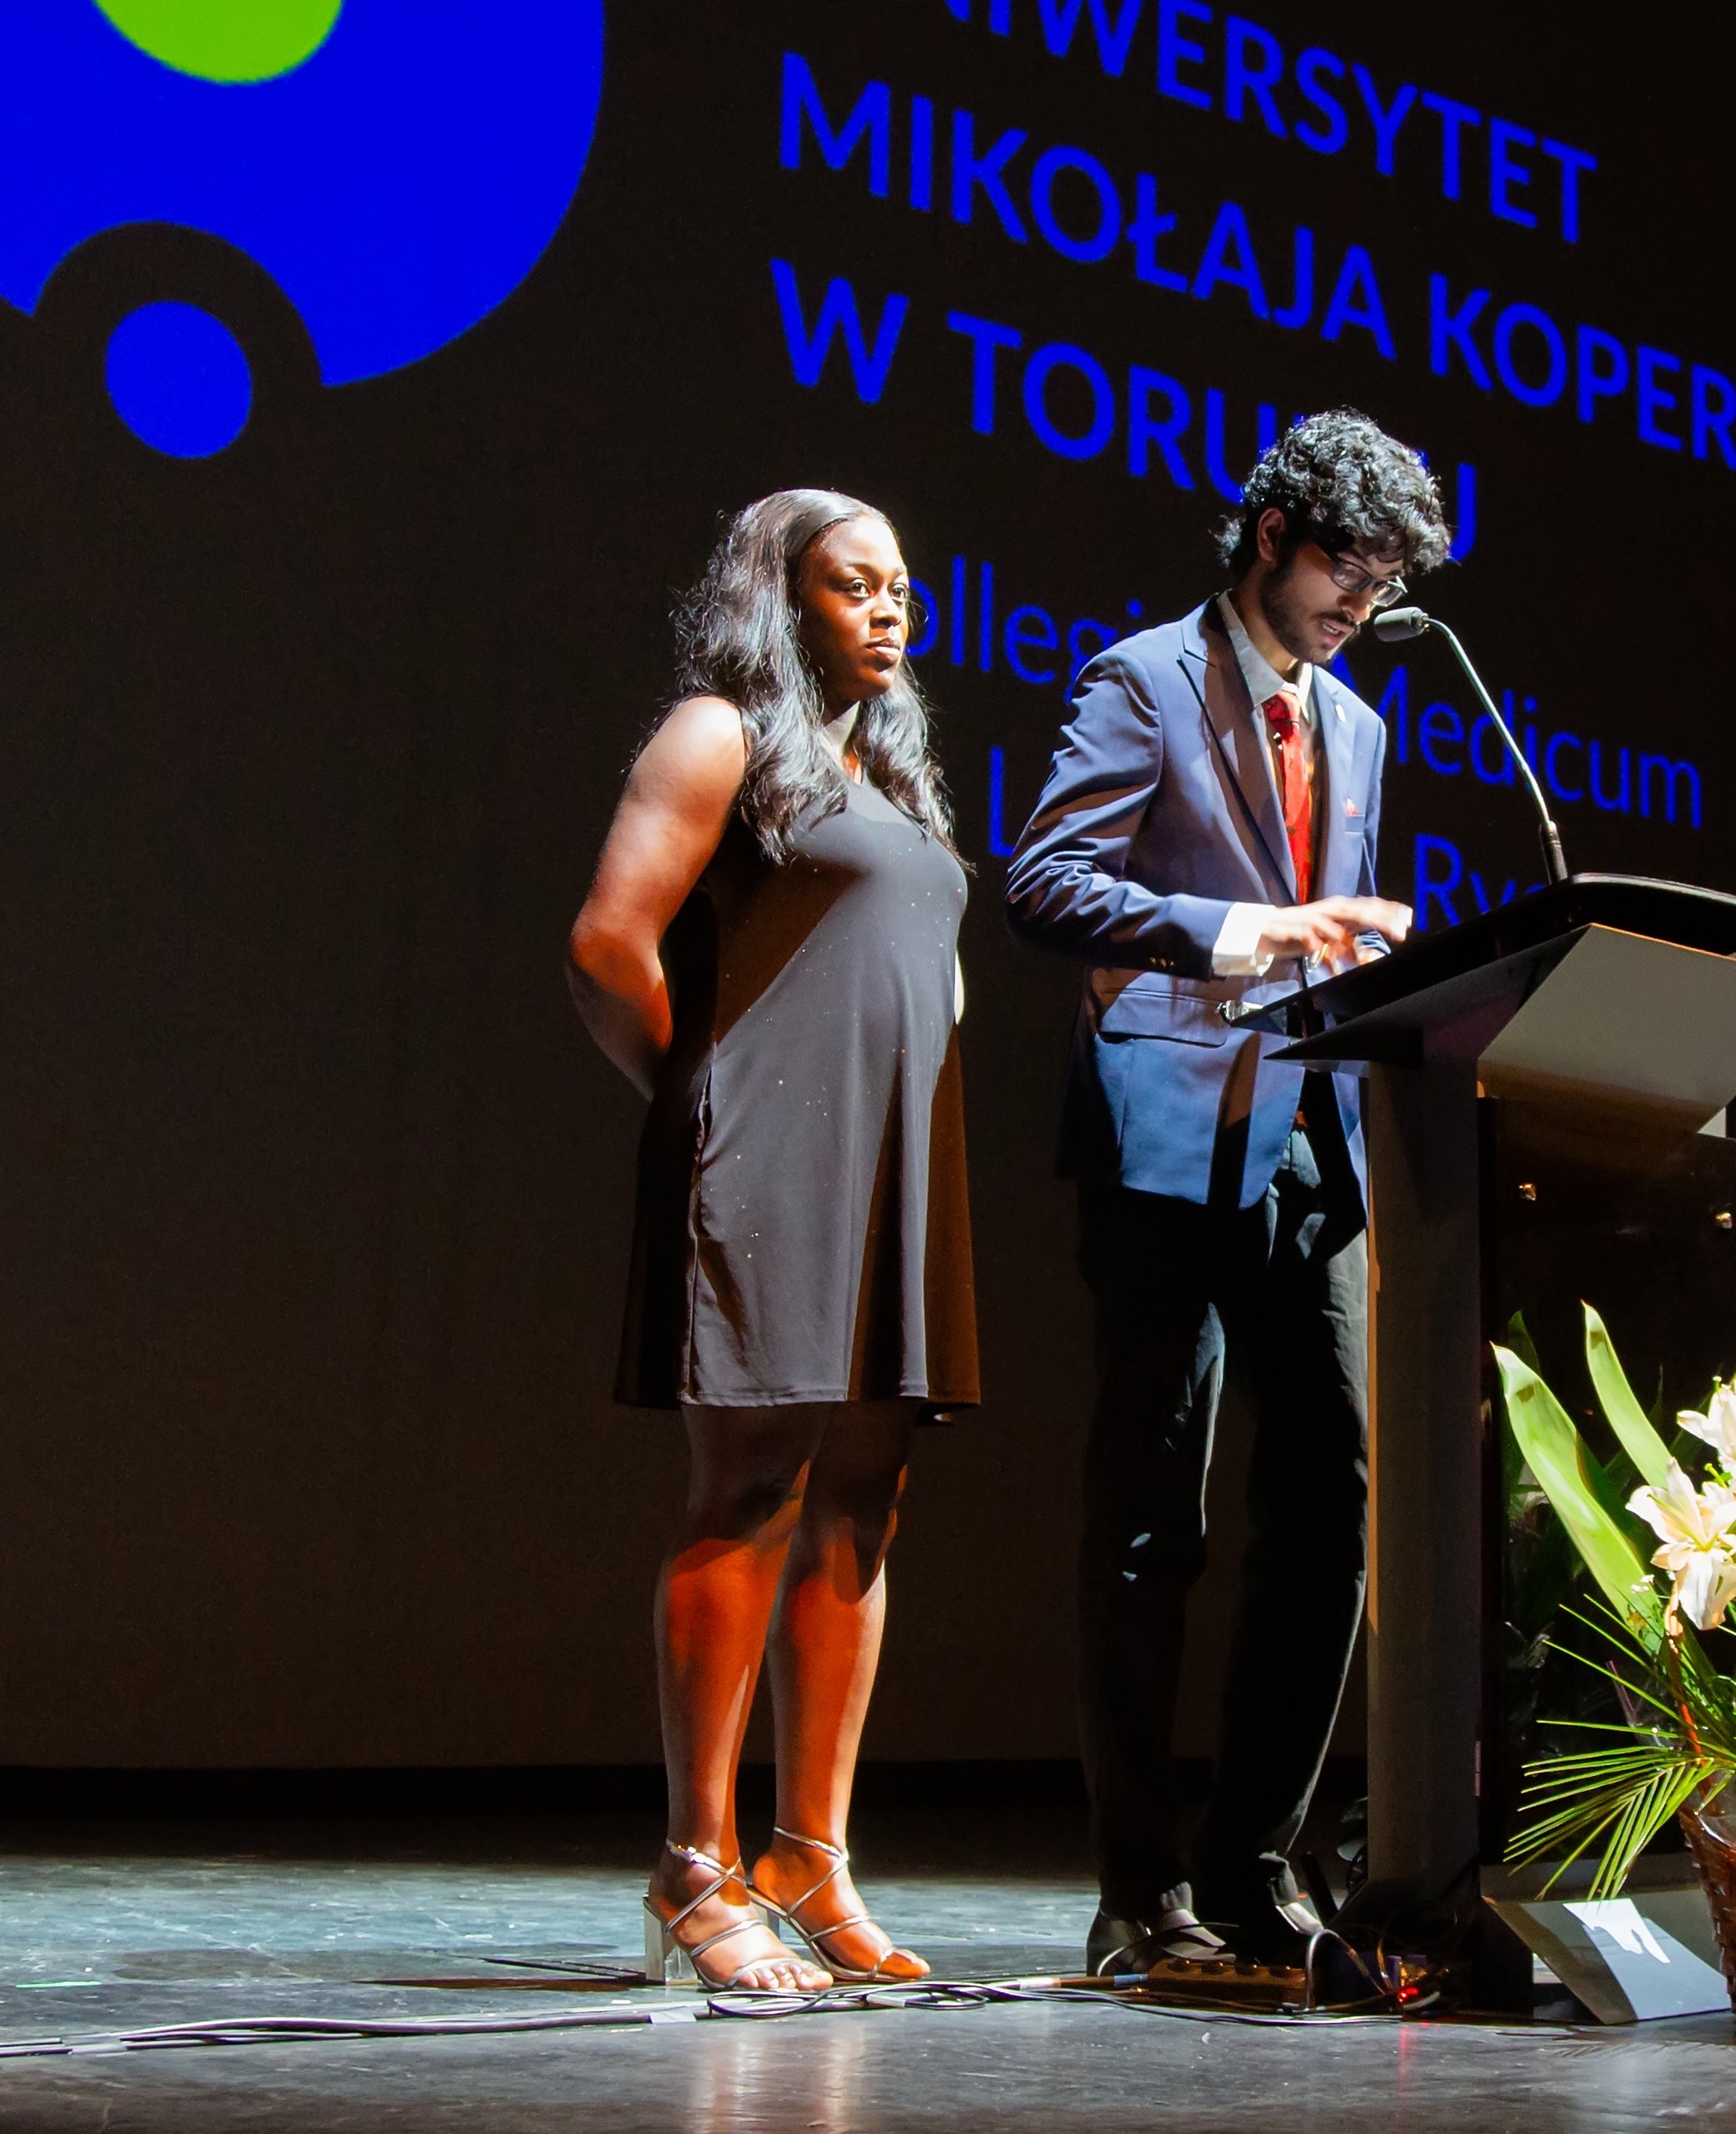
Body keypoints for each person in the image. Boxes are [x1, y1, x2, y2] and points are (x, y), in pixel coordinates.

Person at [1002, 410, 1448, 1973]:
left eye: (1385, 587)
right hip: (1168, 1134)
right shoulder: (1143, 680)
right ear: (1272, 534)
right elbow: (1046, 882)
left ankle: (1251, 1868)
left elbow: (1334, 930)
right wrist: (1248, 933)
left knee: (1331, 1503)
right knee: (1152, 1520)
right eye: (1346, 570)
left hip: (1314, 1144)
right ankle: (1139, 1895)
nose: (1360, 608)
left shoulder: (1360, 727)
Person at [567, 490, 977, 1992]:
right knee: (749, 1487)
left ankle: (810, 1854)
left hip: (889, 1168)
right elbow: (609, 944)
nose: (889, 608)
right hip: (764, 1157)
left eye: (902, 586)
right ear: (782, 598)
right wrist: (700, 1100)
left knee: (862, 1501)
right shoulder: (718, 734)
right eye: (853, 584)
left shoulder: (891, 775)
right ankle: (696, 1868)